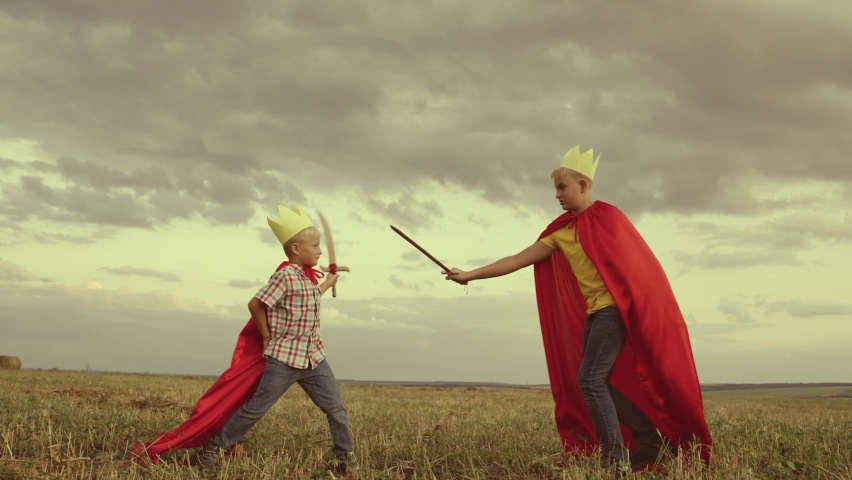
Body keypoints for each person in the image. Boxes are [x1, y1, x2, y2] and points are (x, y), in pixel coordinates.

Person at [444, 146, 712, 472]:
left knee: (589, 380)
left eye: (562, 187)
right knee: (599, 381)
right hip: (596, 313)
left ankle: (615, 460)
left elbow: (642, 269)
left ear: (583, 186)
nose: (556, 195)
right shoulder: (560, 231)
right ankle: (652, 440)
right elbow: (516, 259)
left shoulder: (610, 218)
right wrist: (470, 274)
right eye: (555, 189)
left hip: (614, 310)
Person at [199, 206, 354, 474]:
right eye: (314, 245)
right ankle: (213, 448)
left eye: (319, 245)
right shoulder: (284, 276)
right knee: (255, 410)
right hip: (284, 358)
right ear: (296, 248)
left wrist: (328, 283)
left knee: (337, 410)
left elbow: (309, 298)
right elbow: (255, 304)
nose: (319, 251)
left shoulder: (307, 277)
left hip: (314, 358)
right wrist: (267, 335)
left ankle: (345, 460)